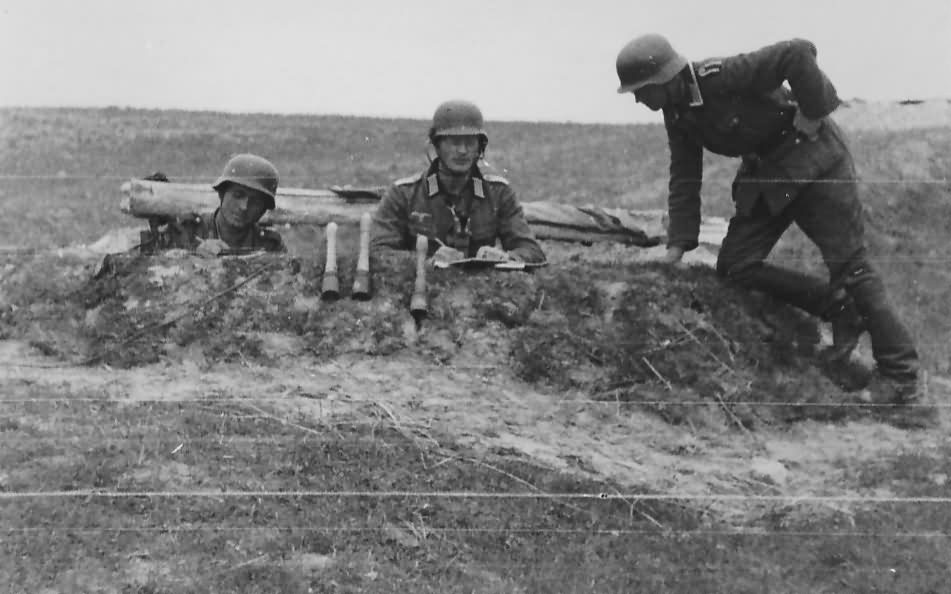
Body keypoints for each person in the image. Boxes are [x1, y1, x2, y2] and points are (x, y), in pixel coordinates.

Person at [614, 34, 932, 425]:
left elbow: (797, 52)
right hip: (768, 174)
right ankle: (838, 307)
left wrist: (814, 111)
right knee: (736, 265)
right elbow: (684, 175)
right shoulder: (677, 113)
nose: (637, 100)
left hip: (814, 160)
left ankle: (902, 378)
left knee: (852, 265)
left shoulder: (721, 75)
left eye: (641, 90)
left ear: (666, 78)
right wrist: (678, 247)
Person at [371, 100, 546, 265]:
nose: (462, 151)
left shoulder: (498, 193)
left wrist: (505, 257)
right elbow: (377, 251)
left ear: (480, 148)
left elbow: (532, 252)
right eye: (454, 142)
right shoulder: (404, 194)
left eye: (470, 142)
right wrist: (426, 260)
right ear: (437, 146)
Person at [143, 153, 285, 254]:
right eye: (237, 195)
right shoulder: (187, 230)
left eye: (255, 202)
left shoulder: (270, 245)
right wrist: (193, 255)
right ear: (222, 193)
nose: (244, 207)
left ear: (263, 210)